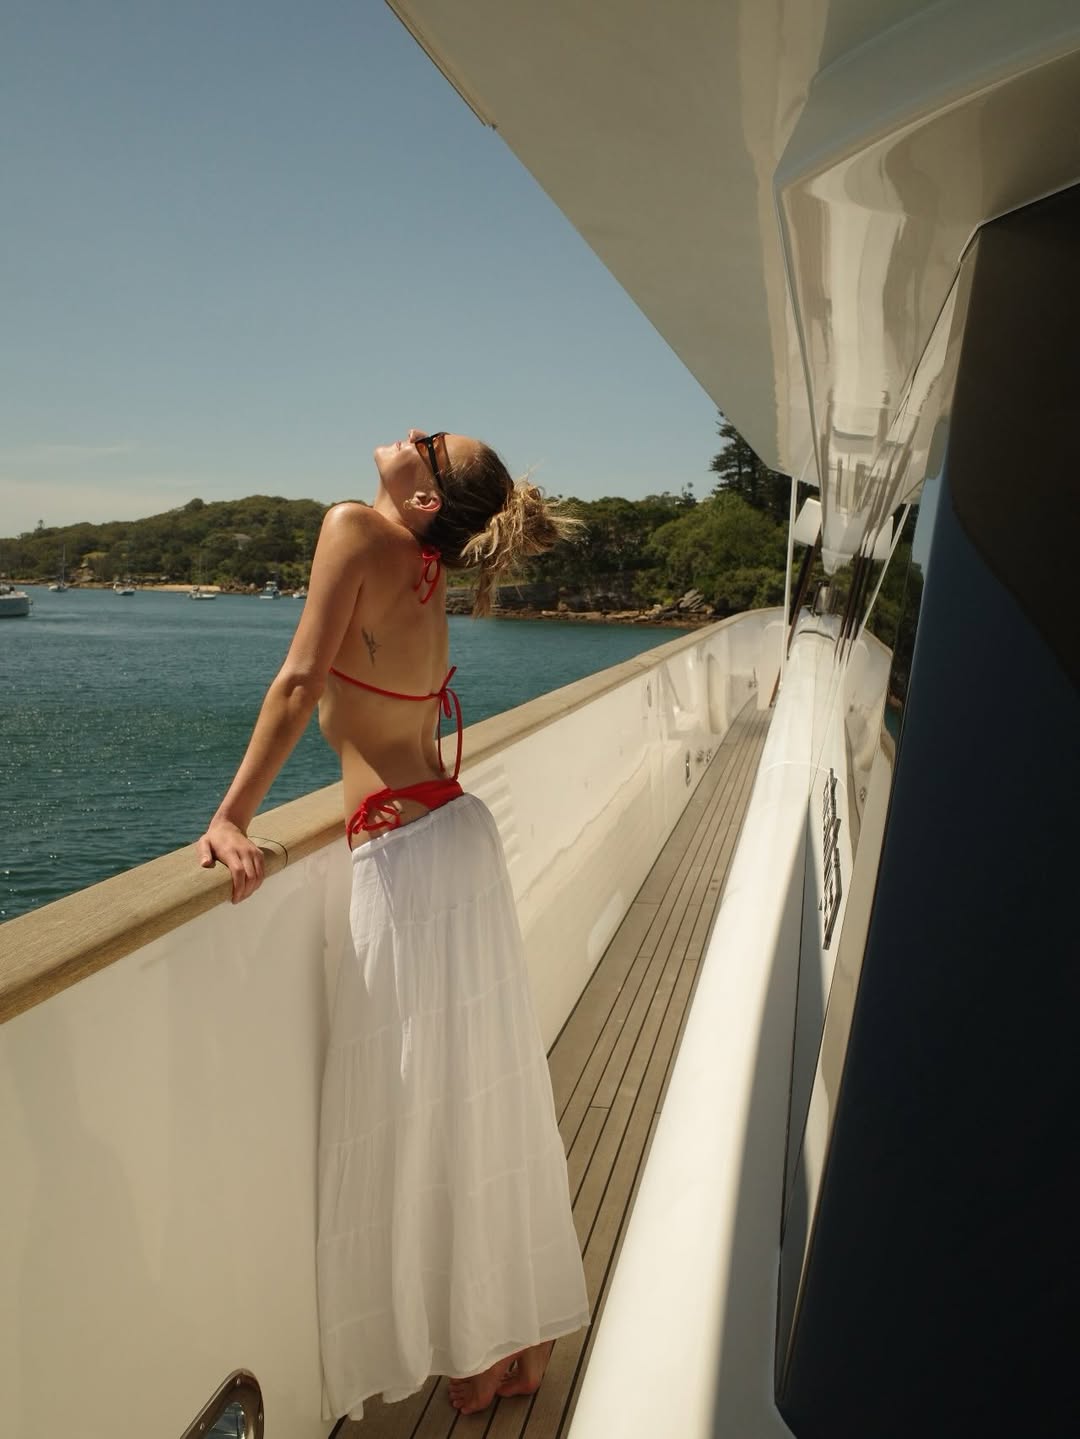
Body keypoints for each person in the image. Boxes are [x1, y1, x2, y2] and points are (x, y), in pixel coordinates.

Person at [196, 430, 590, 1421]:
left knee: (424, 1111)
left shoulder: (355, 530)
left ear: (423, 499)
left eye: (426, 443)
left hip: (406, 852)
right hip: (455, 835)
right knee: (484, 1099)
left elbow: (299, 683)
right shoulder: (421, 563)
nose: (409, 434)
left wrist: (231, 815)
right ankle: (513, 1333)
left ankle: (476, 1344)